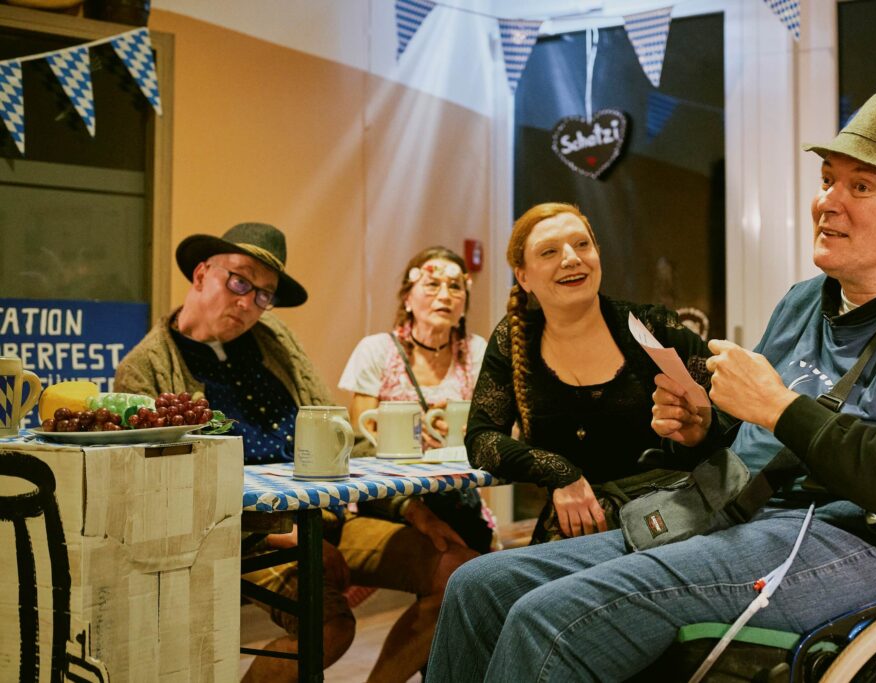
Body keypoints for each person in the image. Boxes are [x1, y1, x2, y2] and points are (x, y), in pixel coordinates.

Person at [425, 80, 876, 681]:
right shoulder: (803, 303)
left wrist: (783, 408)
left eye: (860, 186)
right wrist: (703, 428)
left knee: (550, 620)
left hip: (872, 543)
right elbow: (749, 440)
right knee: (479, 587)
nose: (828, 202)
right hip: (744, 514)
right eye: (827, 180)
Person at [115, 223, 475, 683]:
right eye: (240, 282)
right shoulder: (145, 369)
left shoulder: (274, 339)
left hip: (325, 515)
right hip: (244, 535)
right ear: (202, 273)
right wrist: (282, 533)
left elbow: (340, 435)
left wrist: (410, 508)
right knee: (327, 628)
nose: (249, 303)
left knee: (460, 572)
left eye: (264, 294)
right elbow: (166, 491)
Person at [466, 202, 710, 544]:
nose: (571, 258)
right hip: (573, 531)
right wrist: (560, 473)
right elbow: (481, 440)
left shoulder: (651, 326)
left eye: (582, 244)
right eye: (549, 251)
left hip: (666, 524)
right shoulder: (514, 338)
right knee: (480, 574)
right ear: (523, 277)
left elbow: (729, 410)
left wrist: (700, 427)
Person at [339, 246, 493, 553]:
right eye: (432, 284)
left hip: (458, 498)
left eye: (455, 287)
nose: (445, 295)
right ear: (408, 299)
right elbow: (359, 440)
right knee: (454, 559)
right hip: (388, 498)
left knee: (476, 557)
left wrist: (475, 429)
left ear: (464, 303)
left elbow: (497, 427)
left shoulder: (476, 351)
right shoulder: (377, 350)